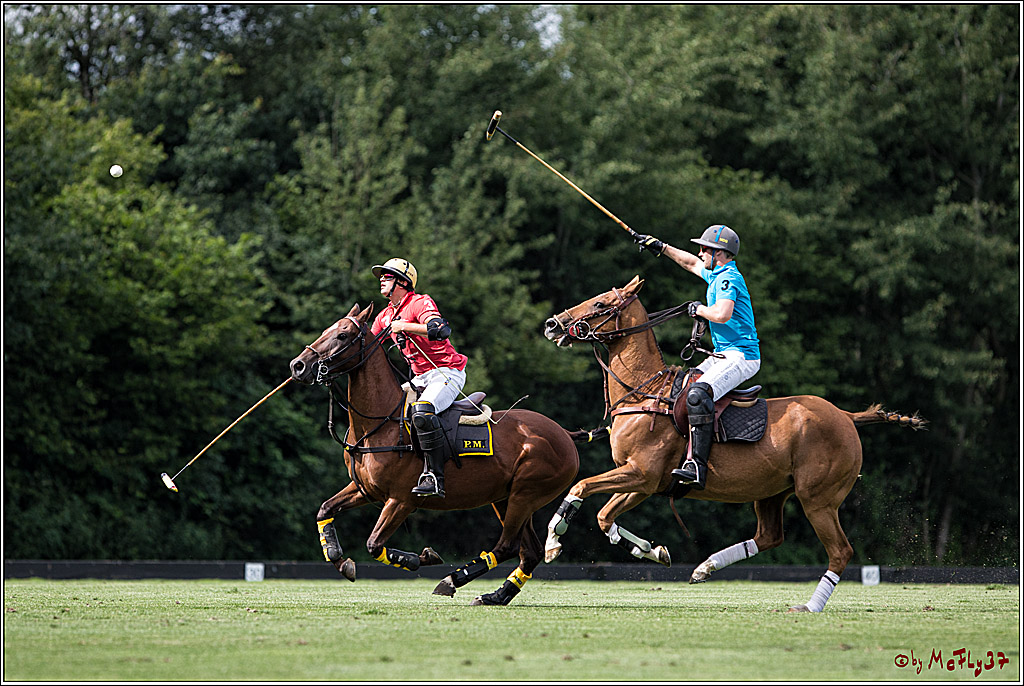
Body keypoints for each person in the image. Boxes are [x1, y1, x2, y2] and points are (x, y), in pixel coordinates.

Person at [632, 225, 760, 490]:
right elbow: (688, 262)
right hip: (723, 354)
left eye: (705, 249)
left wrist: (699, 309)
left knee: (697, 394)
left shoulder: (728, 279)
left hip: (742, 355)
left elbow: (723, 314)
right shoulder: (716, 274)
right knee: (683, 389)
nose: (700, 253)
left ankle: (697, 467)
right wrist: (660, 246)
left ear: (720, 253)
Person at [369, 258, 468, 498]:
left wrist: (405, 326)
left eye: (387, 276)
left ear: (402, 282)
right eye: (381, 275)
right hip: (420, 379)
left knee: (422, 411)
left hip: (446, 372)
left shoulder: (419, 303)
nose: (381, 279)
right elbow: (368, 348)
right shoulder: (384, 316)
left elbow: (440, 329)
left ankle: (434, 478)